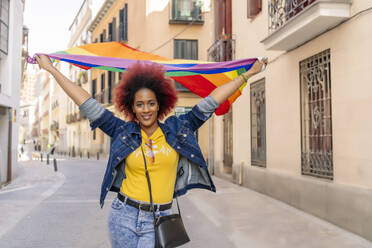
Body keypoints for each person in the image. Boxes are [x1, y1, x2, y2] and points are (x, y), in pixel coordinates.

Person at [35, 54, 267, 248]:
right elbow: (86, 102)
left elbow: (212, 101)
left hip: (160, 219)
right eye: (139, 104)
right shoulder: (121, 130)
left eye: (151, 103)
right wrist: (52, 70)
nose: (146, 109)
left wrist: (248, 75)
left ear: (160, 105)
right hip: (123, 215)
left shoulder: (179, 129)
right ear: (132, 108)